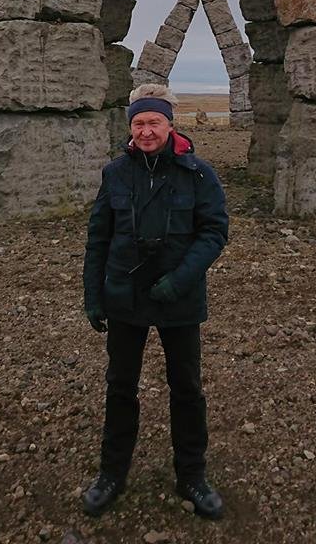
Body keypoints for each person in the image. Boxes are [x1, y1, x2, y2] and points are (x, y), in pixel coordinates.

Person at [81, 84, 229, 520]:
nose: (146, 131)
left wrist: (178, 281)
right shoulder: (115, 173)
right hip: (123, 296)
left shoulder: (199, 174)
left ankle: (193, 475)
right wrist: (93, 295)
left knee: (186, 388)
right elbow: (98, 237)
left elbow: (214, 232)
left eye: (154, 122)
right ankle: (111, 474)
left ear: (170, 124)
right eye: (139, 123)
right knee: (120, 386)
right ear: (131, 127)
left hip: (178, 298)